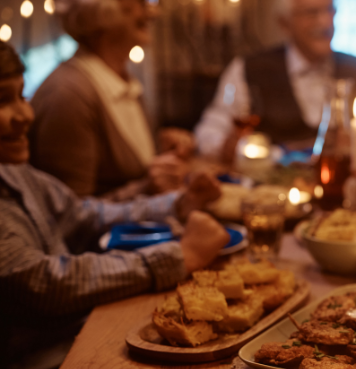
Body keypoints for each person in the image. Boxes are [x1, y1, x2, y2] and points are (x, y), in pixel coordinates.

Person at [0, 41, 229, 367]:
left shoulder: (16, 172)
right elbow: (44, 284)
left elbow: (86, 215)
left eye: (21, 96)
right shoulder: (69, 93)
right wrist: (178, 257)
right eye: (2, 100)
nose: (25, 114)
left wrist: (179, 203)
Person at [28, 0, 195, 200]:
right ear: (100, 6)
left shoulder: (122, 80)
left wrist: (159, 151)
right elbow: (67, 220)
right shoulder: (68, 95)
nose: (154, 11)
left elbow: (119, 175)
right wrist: (148, 188)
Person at [194, 0, 356, 162]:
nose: (325, 22)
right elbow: (209, 133)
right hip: (270, 191)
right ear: (284, 22)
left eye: (330, 10)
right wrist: (231, 148)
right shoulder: (248, 69)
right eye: (311, 13)